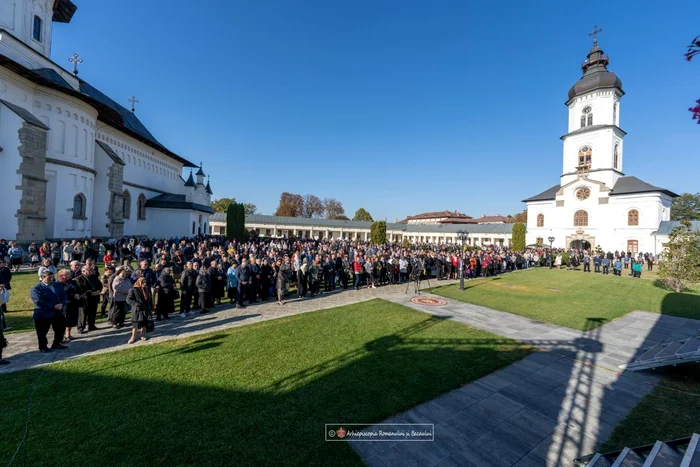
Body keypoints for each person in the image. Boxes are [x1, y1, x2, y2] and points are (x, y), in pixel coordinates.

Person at [29, 270, 68, 352]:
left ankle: (57, 343)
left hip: (58, 312)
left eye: (52, 277)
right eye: (49, 277)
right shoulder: (36, 289)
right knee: (42, 332)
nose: (51, 279)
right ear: (42, 278)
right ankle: (43, 347)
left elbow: (64, 296)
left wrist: (61, 304)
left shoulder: (57, 285)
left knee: (60, 329)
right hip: (43, 314)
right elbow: (38, 301)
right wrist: (53, 306)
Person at [126, 277, 152, 344]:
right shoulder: (133, 289)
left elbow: (149, 298)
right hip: (137, 310)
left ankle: (142, 335)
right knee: (136, 325)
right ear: (139, 282)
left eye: (145, 282)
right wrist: (136, 304)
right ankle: (133, 337)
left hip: (146, 309)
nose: (144, 283)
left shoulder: (147, 289)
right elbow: (128, 299)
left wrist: (151, 306)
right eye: (143, 282)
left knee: (144, 323)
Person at [57, 269, 81, 341]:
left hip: (73, 303)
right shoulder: (58, 284)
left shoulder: (72, 281)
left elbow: (78, 289)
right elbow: (63, 293)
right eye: (65, 275)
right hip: (65, 304)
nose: (67, 276)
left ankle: (68, 334)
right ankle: (62, 335)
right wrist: (73, 295)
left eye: (68, 275)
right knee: (65, 319)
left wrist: (77, 293)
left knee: (71, 319)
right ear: (60, 276)